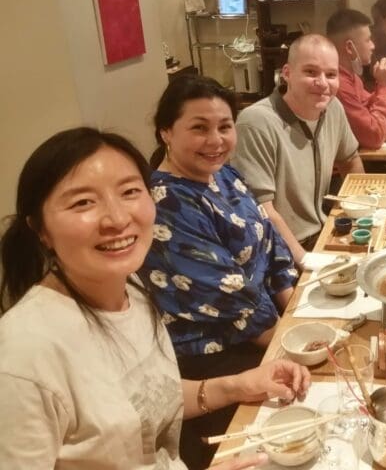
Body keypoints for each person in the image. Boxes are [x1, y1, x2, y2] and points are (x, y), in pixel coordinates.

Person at [0, 127, 311, 469]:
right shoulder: (23, 355)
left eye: (130, 192)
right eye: (82, 202)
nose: (118, 218)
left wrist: (237, 386)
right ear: (40, 229)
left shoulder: (132, 288)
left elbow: (150, 398)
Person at [138, 75, 300, 468]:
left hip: (266, 329)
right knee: (294, 437)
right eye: (199, 128)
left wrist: (297, 312)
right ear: (165, 132)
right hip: (215, 359)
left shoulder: (223, 173)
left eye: (225, 127)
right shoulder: (167, 203)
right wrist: (291, 343)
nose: (215, 140)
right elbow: (229, 297)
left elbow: (270, 242)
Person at [233, 34, 364, 265]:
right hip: (281, 251)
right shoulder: (256, 122)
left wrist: (361, 211)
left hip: (325, 230)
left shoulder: (333, 108)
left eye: (331, 74)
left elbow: (350, 158)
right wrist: (304, 260)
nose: (322, 83)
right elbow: (261, 209)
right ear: (287, 73)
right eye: (311, 72)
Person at [326, 8, 386, 149]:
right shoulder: (339, 85)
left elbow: (368, 106)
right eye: (368, 40)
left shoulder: (351, 77)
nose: (373, 46)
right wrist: (385, 86)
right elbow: (374, 136)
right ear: (349, 47)